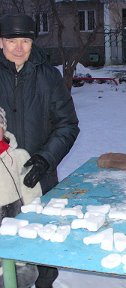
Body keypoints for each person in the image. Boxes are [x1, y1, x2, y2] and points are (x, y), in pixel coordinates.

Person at [0, 14, 80, 288]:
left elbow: (68, 125)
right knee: (4, 252)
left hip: (40, 180)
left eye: (25, 40)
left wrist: (45, 160)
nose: (19, 47)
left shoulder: (48, 76)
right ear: (1, 42)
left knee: (42, 248)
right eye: (12, 40)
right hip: (0, 184)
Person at [0, 106, 41, 288]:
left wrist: (34, 214)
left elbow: (31, 190)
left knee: (21, 267)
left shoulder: (19, 156)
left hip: (15, 215)